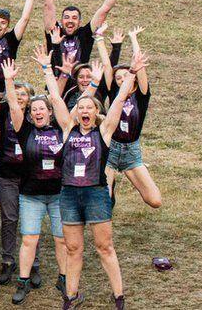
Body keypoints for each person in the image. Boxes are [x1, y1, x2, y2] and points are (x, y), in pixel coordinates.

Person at [33, 44, 144, 310]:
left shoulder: (104, 131)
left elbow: (117, 101)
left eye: (89, 107)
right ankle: (70, 297)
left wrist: (132, 73)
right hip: (69, 194)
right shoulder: (68, 129)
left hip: (96, 193)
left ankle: (118, 297)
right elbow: (56, 100)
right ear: (77, 112)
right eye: (81, 107)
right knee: (73, 249)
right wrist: (47, 69)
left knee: (105, 247)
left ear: (95, 113)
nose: (84, 110)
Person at [0, 59, 68, 305]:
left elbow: (57, 99)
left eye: (41, 109)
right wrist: (9, 79)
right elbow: (14, 105)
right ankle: (23, 281)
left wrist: (48, 71)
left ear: (49, 112)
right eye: (33, 109)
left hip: (58, 195)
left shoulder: (61, 129)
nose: (37, 112)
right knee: (29, 239)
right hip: (31, 195)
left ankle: (65, 279)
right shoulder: (24, 130)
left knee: (61, 239)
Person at [0, 51, 41, 288]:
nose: (20, 97)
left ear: (31, 100)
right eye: (18, 94)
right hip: (6, 175)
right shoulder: (4, 111)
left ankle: (33, 264)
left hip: (32, 176)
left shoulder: (37, 116)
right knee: (9, 218)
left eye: (25, 95)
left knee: (31, 222)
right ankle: (8, 260)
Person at [103, 27, 161, 209]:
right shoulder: (114, 93)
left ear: (133, 78)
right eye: (118, 78)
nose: (121, 80)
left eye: (125, 76)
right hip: (111, 149)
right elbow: (106, 65)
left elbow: (139, 67)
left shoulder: (141, 95)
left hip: (131, 152)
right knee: (105, 201)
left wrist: (133, 38)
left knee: (155, 200)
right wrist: (99, 39)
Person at [43, 0, 127, 70]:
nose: (70, 21)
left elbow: (105, 9)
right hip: (55, 83)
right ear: (61, 20)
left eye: (74, 18)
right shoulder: (55, 32)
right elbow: (48, 3)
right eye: (66, 17)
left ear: (79, 22)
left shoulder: (85, 34)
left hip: (80, 83)